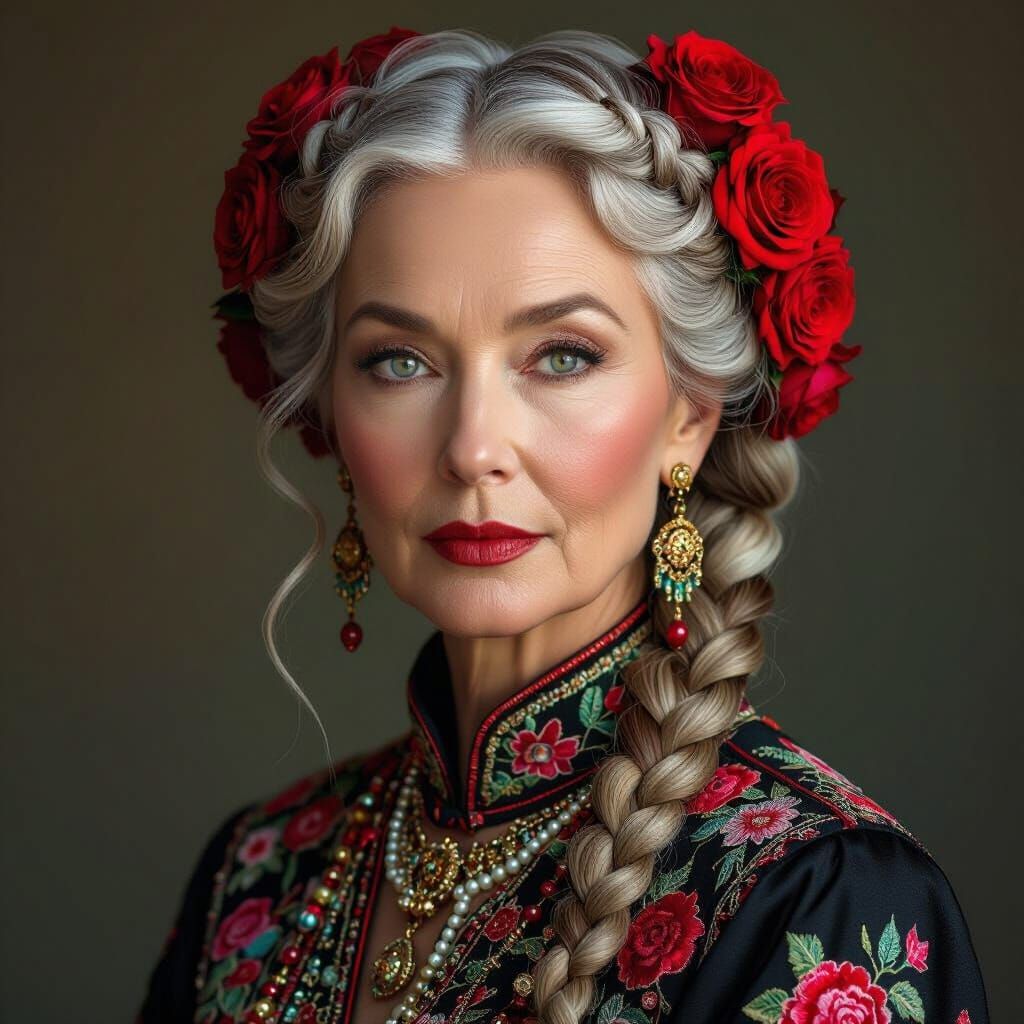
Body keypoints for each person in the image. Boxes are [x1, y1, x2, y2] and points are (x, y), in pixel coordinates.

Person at [137, 26, 990, 1024]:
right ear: (327, 413)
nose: (472, 446)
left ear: (688, 414)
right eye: (399, 361)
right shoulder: (262, 872)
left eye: (562, 355)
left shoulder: (820, 899)